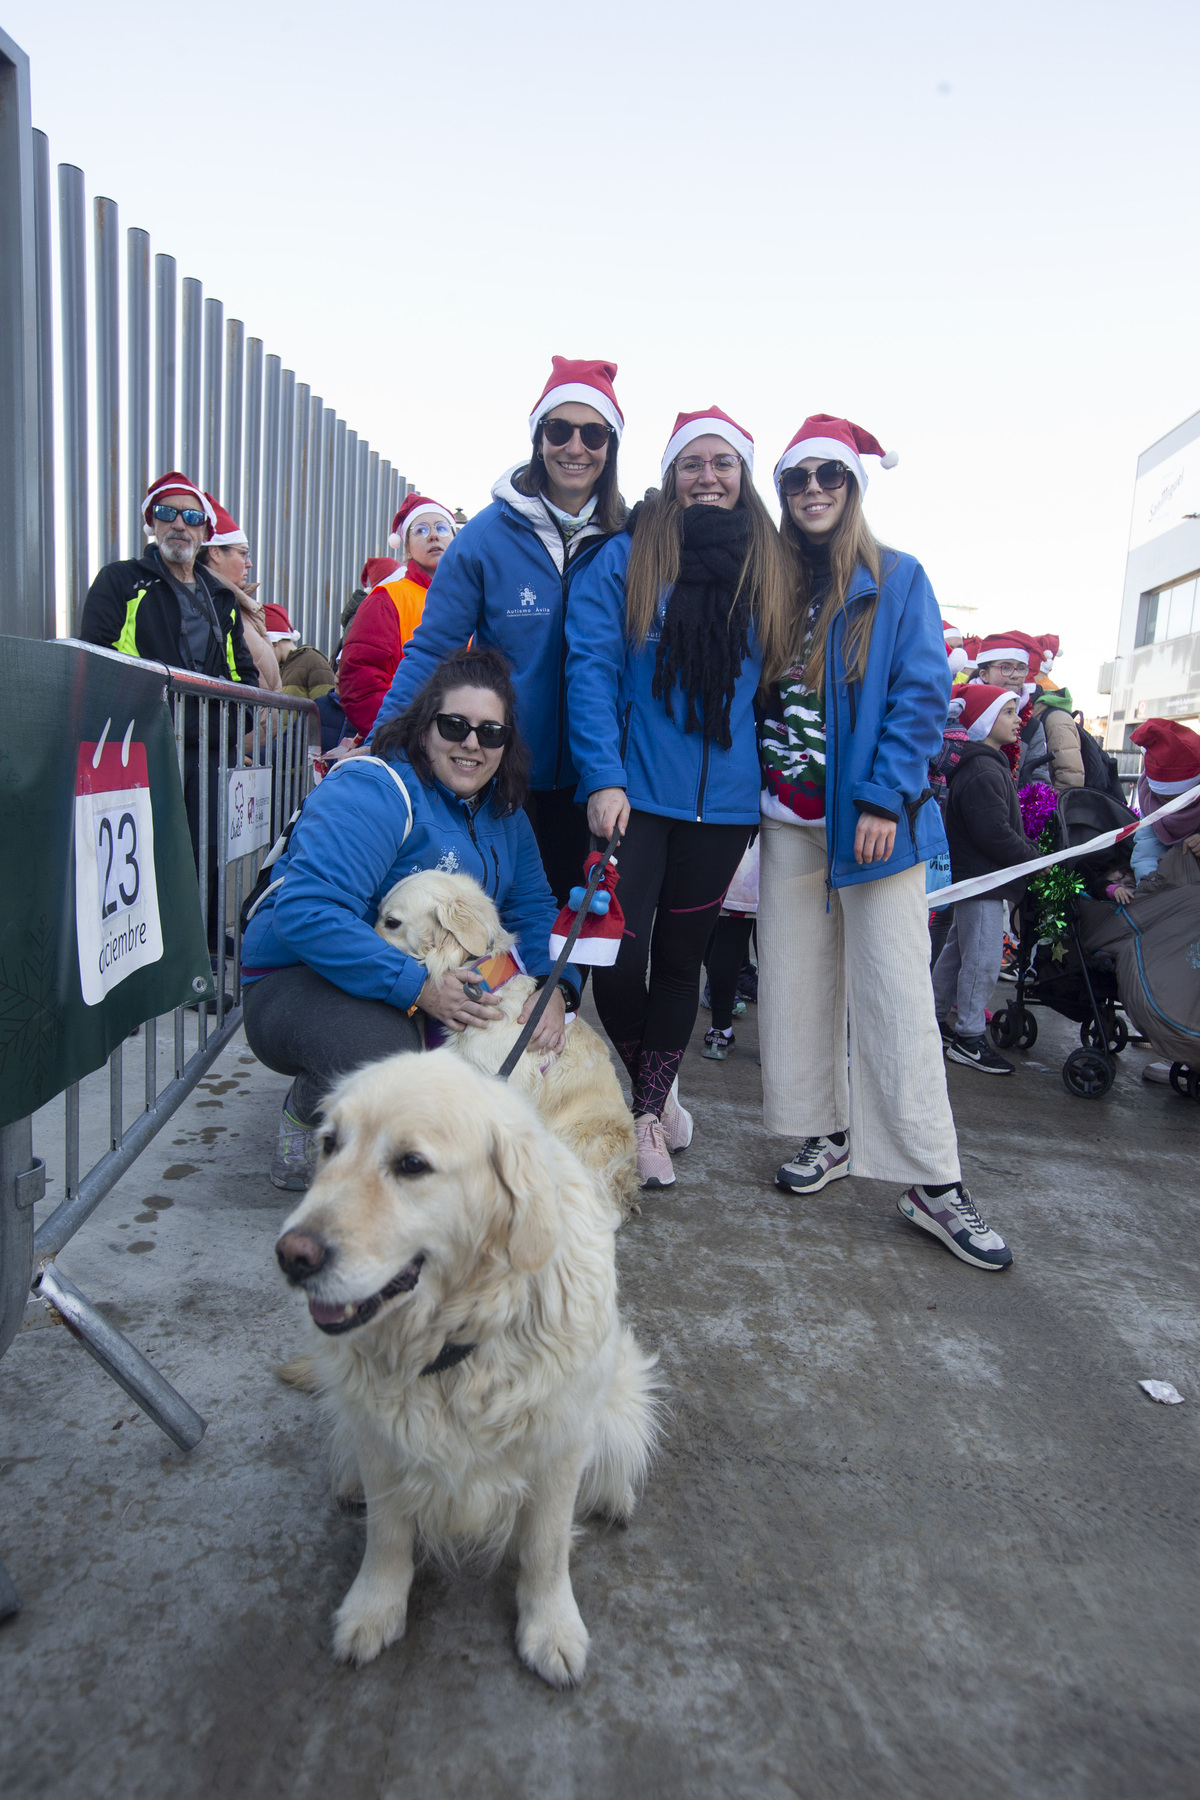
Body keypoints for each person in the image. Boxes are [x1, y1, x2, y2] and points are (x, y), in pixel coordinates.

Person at [758, 413, 1013, 1273]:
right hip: (785, 819)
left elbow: (919, 694)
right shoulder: (774, 584)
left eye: (830, 476)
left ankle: (932, 1180)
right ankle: (824, 1133)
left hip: (870, 822)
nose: (814, 492)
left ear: (855, 485)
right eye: (798, 480)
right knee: (795, 989)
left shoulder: (898, 578)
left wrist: (881, 796)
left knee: (897, 998)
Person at [240, 645, 580, 1189]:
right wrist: (419, 989)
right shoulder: (374, 790)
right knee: (388, 1056)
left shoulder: (503, 810)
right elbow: (307, 913)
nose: (471, 743)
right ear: (424, 726)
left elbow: (533, 908)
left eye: (491, 732)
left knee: (528, 1039)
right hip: (296, 977)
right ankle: (307, 1114)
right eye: (455, 725)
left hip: (420, 975)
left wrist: (557, 988)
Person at [566, 404, 791, 1187]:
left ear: (743, 476)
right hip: (636, 794)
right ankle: (654, 1103)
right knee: (619, 959)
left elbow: (778, 687)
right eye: (692, 463)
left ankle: (648, 1114)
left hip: (725, 806)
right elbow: (590, 667)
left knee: (682, 963)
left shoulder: (770, 565)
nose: (707, 477)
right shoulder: (629, 556)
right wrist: (603, 775)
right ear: (670, 473)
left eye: (722, 463)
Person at [372, 356, 627, 906]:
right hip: (501, 766)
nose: (575, 447)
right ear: (538, 438)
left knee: (574, 925)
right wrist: (379, 742)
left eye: (593, 432)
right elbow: (432, 649)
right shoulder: (487, 535)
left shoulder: (626, 540)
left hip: (597, 775)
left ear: (611, 446)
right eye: (559, 429)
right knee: (498, 920)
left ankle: (554, 997)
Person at [79, 471, 261, 950]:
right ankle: (141, 964)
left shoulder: (218, 596)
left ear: (205, 533)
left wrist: (228, 724)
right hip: (143, 745)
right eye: (167, 513)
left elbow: (245, 675)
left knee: (204, 851)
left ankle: (195, 946)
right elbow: (94, 656)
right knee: (141, 856)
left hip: (208, 747)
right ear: (151, 523)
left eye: (192, 516)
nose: (179, 524)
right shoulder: (121, 580)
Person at [932, 686, 1038, 1075]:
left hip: (982, 878)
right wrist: (1034, 860)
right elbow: (993, 831)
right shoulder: (980, 768)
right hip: (983, 878)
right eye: (1008, 712)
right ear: (983, 722)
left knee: (959, 951)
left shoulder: (985, 762)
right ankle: (969, 1038)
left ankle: (934, 1019)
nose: (1017, 719)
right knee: (982, 960)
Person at [338, 497, 457, 735]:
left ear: (456, 539)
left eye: (441, 528)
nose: (433, 536)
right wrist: (407, 735)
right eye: (421, 530)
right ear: (407, 547)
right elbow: (362, 686)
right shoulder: (387, 599)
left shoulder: (473, 599)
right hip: (407, 743)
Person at [199, 497, 281, 692]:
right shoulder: (211, 607)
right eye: (243, 553)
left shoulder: (240, 607)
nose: (249, 563)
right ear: (216, 553)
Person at [700, 838, 759, 1060]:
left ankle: (719, 1031)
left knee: (730, 933)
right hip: (780, 827)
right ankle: (775, 1042)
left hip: (746, 833)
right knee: (775, 942)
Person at [1129, 718, 1200, 884]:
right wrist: (1148, 886)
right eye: (1164, 800)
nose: (1170, 807)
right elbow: (1147, 849)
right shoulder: (1150, 800)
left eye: (1180, 799)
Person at [263, 605, 337, 699]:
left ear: (274, 643)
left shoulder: (314, 662)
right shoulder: (277, 669)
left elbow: (324, 709)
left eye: (265, 648)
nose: (264, 655)